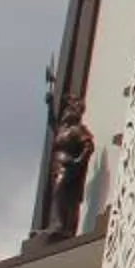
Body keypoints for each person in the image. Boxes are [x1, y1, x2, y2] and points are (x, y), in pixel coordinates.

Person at [42, 93, 95, 240]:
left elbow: (88, 146)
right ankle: (55, 224)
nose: (66, 112)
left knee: (60, 193)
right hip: (57, 167)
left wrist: (79, 161)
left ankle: (60, 225)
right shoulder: (62, 129)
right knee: (56, 195)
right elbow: (52, 123)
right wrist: (50, 104)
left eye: (69, 110)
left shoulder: (76, 130)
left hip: (68, 166)